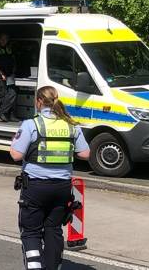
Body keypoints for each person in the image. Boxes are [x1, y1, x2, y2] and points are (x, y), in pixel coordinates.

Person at [10, 86, 91, 270]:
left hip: (35, 188)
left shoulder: (32, 125)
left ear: (39, 102)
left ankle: (35, 266)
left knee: (31, 232)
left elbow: (16, 155)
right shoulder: (70, 125)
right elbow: (85, 153)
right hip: (62, 188)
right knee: (54, 230)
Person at [0, 32, 17, 121]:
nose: (3, 41)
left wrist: (13, 71)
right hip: (0, 76)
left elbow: (13, 60)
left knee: (13, 93)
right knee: (4, 96)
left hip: (9, 75)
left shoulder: (9, 48)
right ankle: (3, 113)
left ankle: (10, 115)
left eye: (5, 39)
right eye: (2, 38)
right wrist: (2, 74)